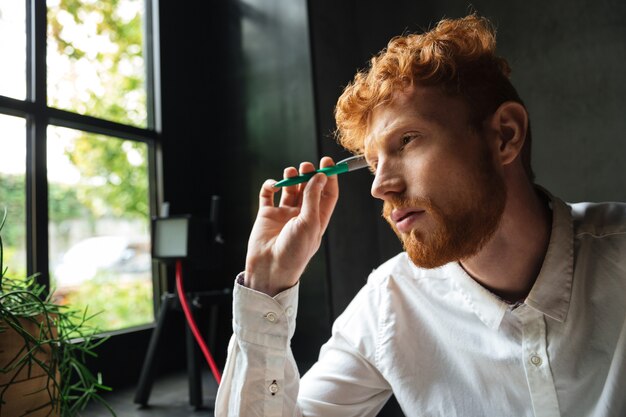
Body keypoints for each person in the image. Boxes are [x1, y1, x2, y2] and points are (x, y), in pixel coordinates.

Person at [215, 14, 626, 417]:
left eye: (407, 141)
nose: (380, 186)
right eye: (374, 164)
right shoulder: (390, 303)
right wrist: (266, 283)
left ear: (505, 135)